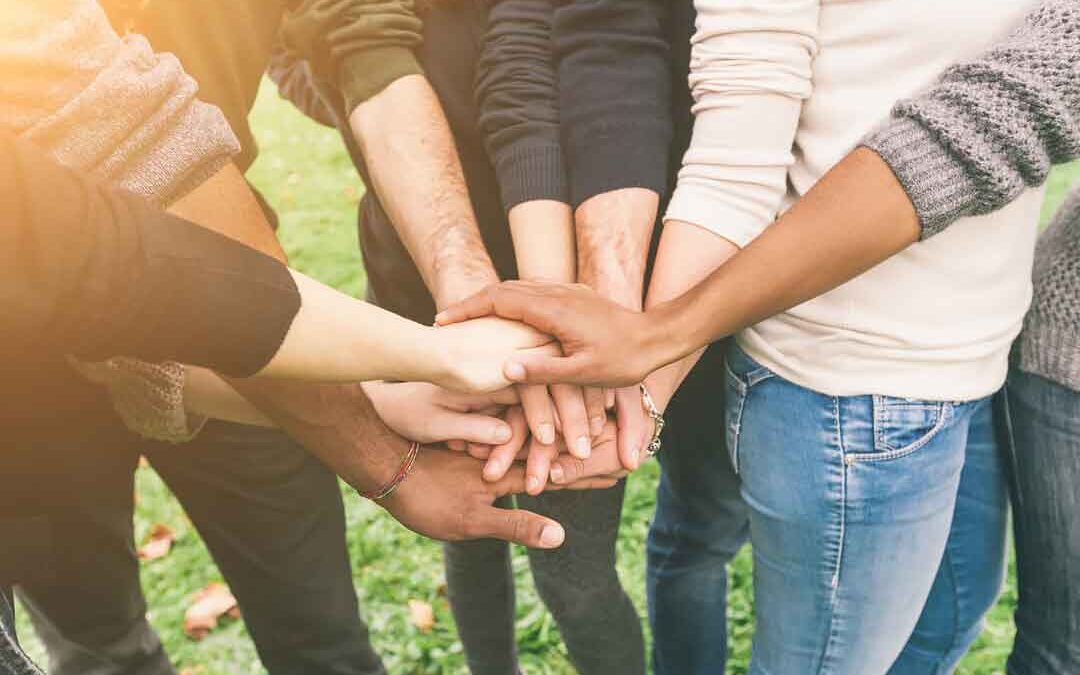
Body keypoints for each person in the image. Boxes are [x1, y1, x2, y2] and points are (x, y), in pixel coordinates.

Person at [439, 1, 1080, 673]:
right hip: (858, 386)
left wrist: (648, 351)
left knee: (950, 610)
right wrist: (644, 370)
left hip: (977, 349)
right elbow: (732, 149)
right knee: (713, 564)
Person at [0, 3, 577, 674]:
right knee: (101, 646)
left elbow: (362, 36)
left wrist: (460, 299)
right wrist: (398, 391)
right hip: (38, 391)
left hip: (235, 297)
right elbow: (71, 224)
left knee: (321, 643)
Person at [271, 0, 681, 671]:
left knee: (572, 572)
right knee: (467, 534)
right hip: (414, 297)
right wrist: (352, 102)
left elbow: (575, 60)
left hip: (550, 293)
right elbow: (292, 49)